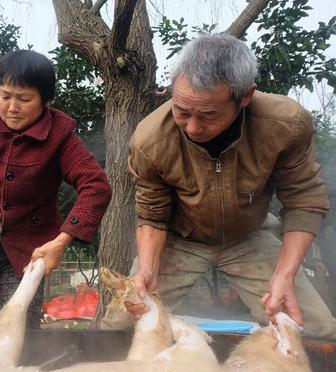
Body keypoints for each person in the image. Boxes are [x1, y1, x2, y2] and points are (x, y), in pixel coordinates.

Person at [125, 33, 336, 340]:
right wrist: (147, 270)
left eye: (209, 115)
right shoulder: (149, 140)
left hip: (250, 235)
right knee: (124, 323)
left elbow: (303, 199)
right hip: (179, 238)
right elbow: (152, 213)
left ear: (246, 96)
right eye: (182, 111)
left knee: (311, 326)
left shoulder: (286, 125)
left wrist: (284, 275)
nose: (193, 127)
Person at [0, 49, 112, 329]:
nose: (12, 107)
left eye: (24, 99)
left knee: (20, 328)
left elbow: (96, 186)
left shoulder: (60, 135)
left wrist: (60, 242)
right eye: (5, 96)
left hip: (30, 247)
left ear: (46, 101)